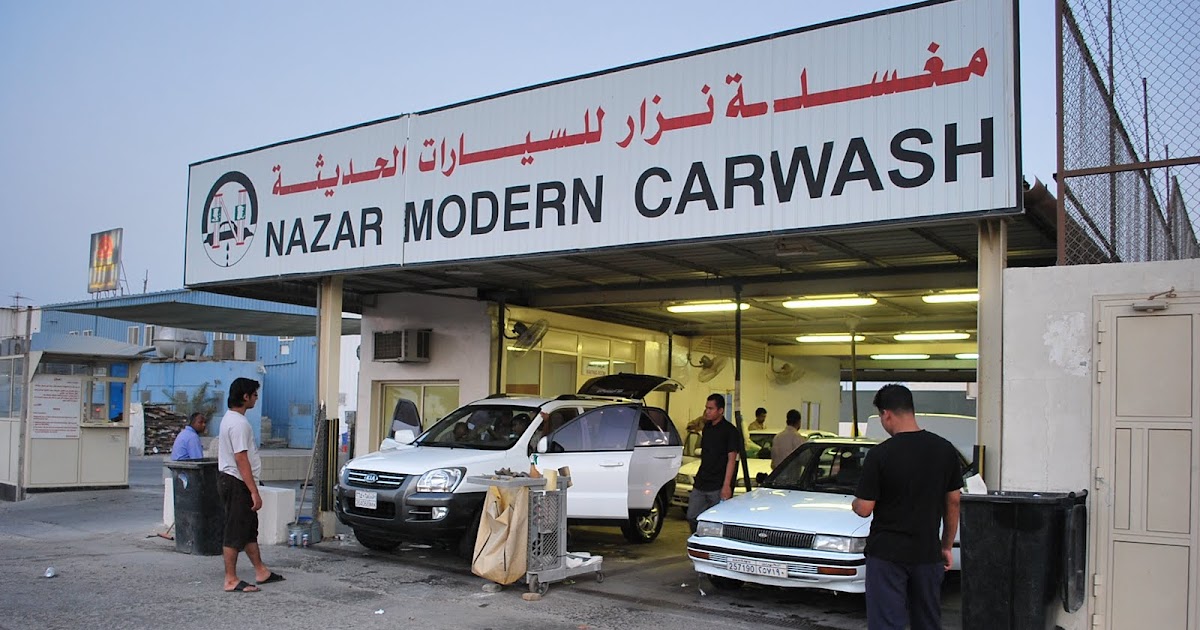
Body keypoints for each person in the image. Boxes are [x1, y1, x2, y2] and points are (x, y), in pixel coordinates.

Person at [852, 384, 962, 630]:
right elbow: (953, 501)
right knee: (927, 621)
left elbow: (865, 508)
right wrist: (945, 546)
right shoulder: (945, 450)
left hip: (887, 555)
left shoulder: (880, 454)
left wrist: (855, 502)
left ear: (886, 414)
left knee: (887, 623)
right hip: (927, 552)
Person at [217, 377, 283, 593]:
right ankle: (230, 579)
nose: (256, 398)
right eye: (254, 394)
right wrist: (254, 491)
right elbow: (241, 458)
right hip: (237, 482)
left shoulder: (231, 419)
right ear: (245, 397)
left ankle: (261, 570)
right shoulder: (239, 424)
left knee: (247, 529)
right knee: (235, 530)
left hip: (235, 480)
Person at [685, 394, 742, 533]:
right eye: (706, 408)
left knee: (715, 521)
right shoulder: (707, 428)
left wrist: (727, 485)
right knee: (692, 515)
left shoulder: (730, 431)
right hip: (702, 481)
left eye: (711, 408)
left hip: (718, 484)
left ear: (721, 410)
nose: (707, 411)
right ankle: (698, 538)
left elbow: (731, 460)